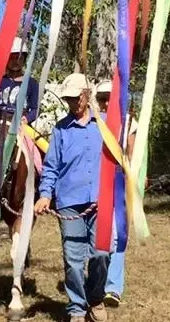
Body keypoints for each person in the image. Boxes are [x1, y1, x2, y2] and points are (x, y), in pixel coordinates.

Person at [34, 73, 110, 322]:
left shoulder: (106, 125)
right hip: (69, 202)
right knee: (73, 259)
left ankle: (96, 298)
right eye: (68, 99)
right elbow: (51, 166)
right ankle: (77, 307)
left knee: (101, 254)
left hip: (100, 201)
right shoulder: (60, 130)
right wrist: (45, 195)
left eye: (76, 98)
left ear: (87, 95)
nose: (72, 104)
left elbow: (118, 160)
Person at [94, 80, 138, 308]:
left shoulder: (129, 122)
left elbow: (133, 153)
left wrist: (134, 180)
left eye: (111, 97)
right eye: (103, 98)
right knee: (98, 234)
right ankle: (97, 283)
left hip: (120, 180)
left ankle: (113, 287)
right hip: (96, 183)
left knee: (119, 233)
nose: (107, 102)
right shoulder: (93, 120)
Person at [0, 36, 40, 125]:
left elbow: (36, 108)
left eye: (19, 58)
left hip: (19, 124)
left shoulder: (32, 83)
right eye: (12, 58)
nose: (16, 61)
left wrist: (27, 118)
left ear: (24, 59)